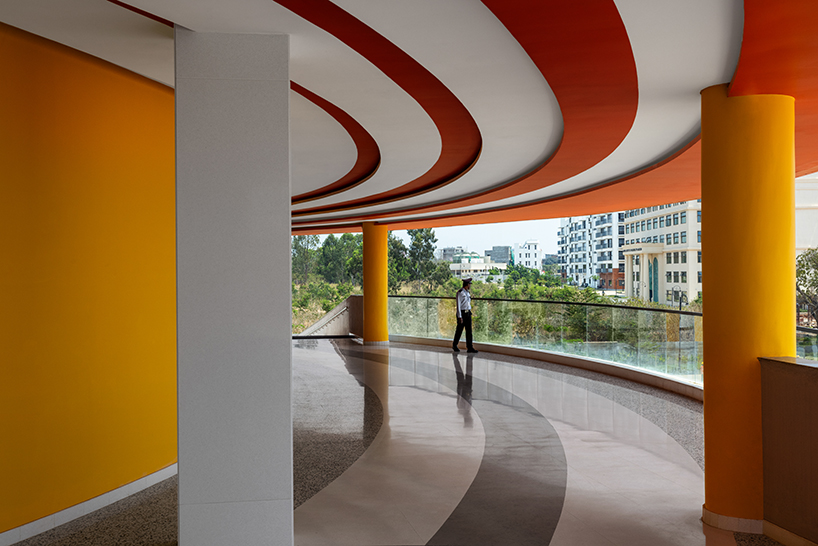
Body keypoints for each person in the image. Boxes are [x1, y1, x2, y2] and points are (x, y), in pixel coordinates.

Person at [452, 278, 478, 353]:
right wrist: (459, 316)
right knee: (459, 330)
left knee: (469, 331)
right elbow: (458, 305)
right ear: (467, 284)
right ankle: (454, 345)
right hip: (462, 313)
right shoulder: (460, 293)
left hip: (468, 313)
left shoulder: (467, 292)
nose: (470, 285)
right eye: (470, 284)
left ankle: (470, 347)